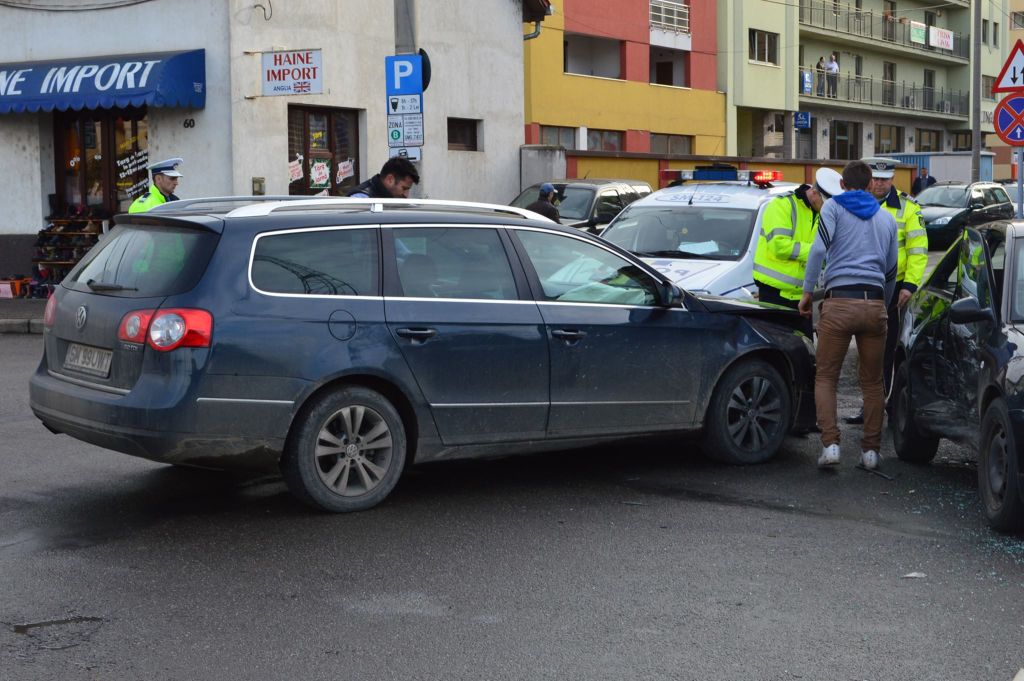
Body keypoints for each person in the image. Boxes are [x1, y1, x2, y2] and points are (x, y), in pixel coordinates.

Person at [798, 160, 898, 471]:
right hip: (874, 303)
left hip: (839, 302)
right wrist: (883, 304)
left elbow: (817, 251)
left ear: (842, 185)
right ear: (870, 186)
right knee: (872, 382)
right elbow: (891, 271)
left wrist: (807, 292)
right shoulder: (887, 218)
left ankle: (831, 445)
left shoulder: (833, 208)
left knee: (826, 376)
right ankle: (870, 453)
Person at [844, 157, 928, 425]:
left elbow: (918, 251)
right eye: (876, 179)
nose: (880, 184)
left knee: (887, 349)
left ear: (893, 180)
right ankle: (870, 405)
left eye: (885, 180)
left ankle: (888, 404)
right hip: (860, 284)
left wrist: (909, 286)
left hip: (894, 290)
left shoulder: (908, 208)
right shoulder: (856, 203)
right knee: (865, 349)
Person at [753, 167, 843, 338]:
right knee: (778, 347)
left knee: (805, 348)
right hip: (775, 295)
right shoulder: (782, 205)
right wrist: (818, 251)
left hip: (803, 295)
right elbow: (780, 246)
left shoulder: (824, 213)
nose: (828, 209)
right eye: (826, 204)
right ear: (814, 193)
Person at [347, 157, 420, 198]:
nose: (406, 195)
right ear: (390, 179)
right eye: (404, 188)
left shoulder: (390, 198)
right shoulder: (361, 200)